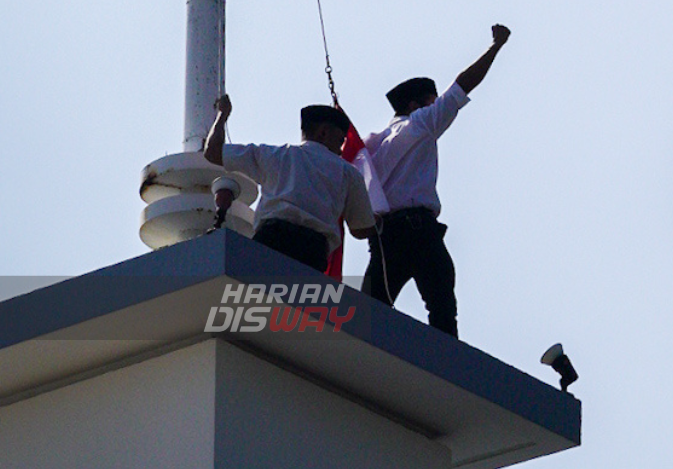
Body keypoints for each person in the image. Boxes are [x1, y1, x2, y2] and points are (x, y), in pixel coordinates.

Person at [362, 24, 511, 337]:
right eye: (431, 101)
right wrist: (495, 47)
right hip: (418, 232)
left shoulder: (372, 143)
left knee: (369, 313)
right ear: (416, 105)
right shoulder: (421, 123)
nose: (437, 106)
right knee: (442, 309)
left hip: (385, 236)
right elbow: (460, 89)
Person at [204, 95, 377, 272]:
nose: (341, 151)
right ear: (323, 133)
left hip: (269, 243)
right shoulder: (347, 172)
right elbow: (360, 229)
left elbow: (212, 152)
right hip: (311, 253)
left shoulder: (276, 156)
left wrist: (222, 115)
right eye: (340, 141)